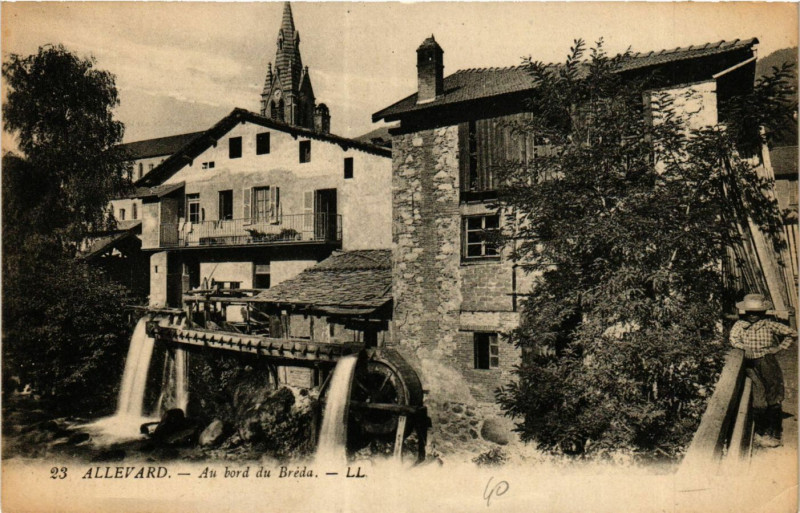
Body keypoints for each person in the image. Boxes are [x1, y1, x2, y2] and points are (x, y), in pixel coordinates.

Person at [729, 293, 796, 448]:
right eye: (750, 312)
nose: (753, 316)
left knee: (773, 396)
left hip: (767, 361)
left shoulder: (768, 324)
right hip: (750, 365)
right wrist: (743, 346)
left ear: (763, 312)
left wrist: (779, 347)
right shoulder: (740, 325)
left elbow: (792, 333)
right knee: (759, 400)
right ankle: (760, 431)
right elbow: (733, 339)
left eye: (757, 313)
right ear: (745, 312)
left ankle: (775, 433)